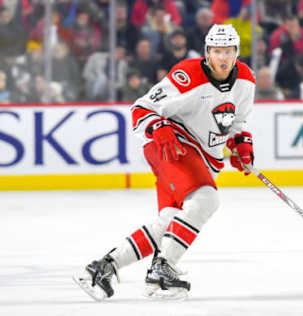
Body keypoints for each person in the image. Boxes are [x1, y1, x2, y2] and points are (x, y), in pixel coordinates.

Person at [73, 24, 256, 301]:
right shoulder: (188, 76)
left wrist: (240, 143)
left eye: (228, 51)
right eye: (217, 51)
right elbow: (140, 108)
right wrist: (158, 126)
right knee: (206, 199)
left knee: (170, 222)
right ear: (207, 52)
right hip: (172, 146)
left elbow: (235, 122)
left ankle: (102, 269)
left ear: (236, 53)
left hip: (203, 158)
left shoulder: (246, 81)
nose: (223, 57)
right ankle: (162, 270)